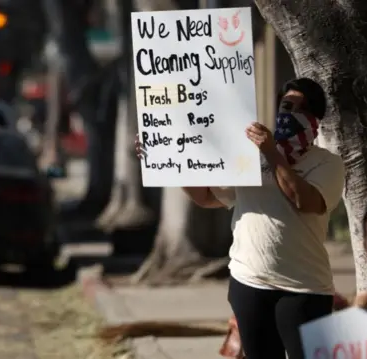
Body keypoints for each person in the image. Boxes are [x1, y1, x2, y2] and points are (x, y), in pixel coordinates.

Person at [135, 78, 345, 359]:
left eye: (301, 108)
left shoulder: (327, 163)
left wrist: (271, 152)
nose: (290, 113)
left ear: (315, 118)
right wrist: (168, 159)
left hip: (303, 290)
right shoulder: (248, 157)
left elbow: (302, 199)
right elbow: (207, 197)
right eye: (286, 105)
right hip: (249, 283)